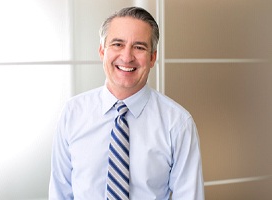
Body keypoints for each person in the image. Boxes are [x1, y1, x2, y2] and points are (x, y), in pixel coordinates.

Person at [49, 6, 204, 200]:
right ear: (101, 51)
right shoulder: (72, 113)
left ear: (153, 57)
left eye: (139, 47)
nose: (127, 57)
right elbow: (60, 193)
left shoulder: (178, 123)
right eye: (117, 44)